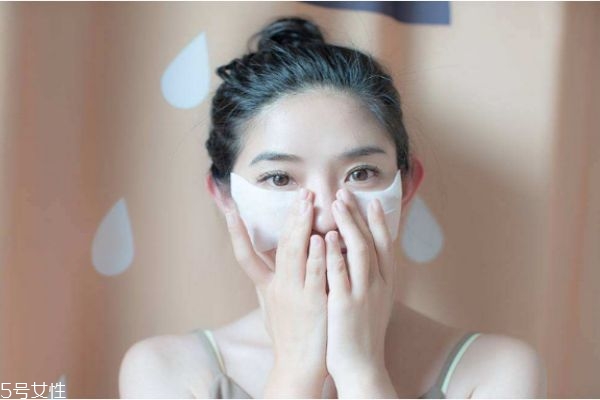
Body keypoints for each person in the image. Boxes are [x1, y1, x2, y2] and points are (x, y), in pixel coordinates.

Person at [119, 16, 547, 399]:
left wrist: (361, 370)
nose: (325, 217)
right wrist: (297, 371)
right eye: (280, 179)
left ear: (407, 185)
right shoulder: (167, 371)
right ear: (224, 196)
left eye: (360, 173)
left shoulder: (496, 371)